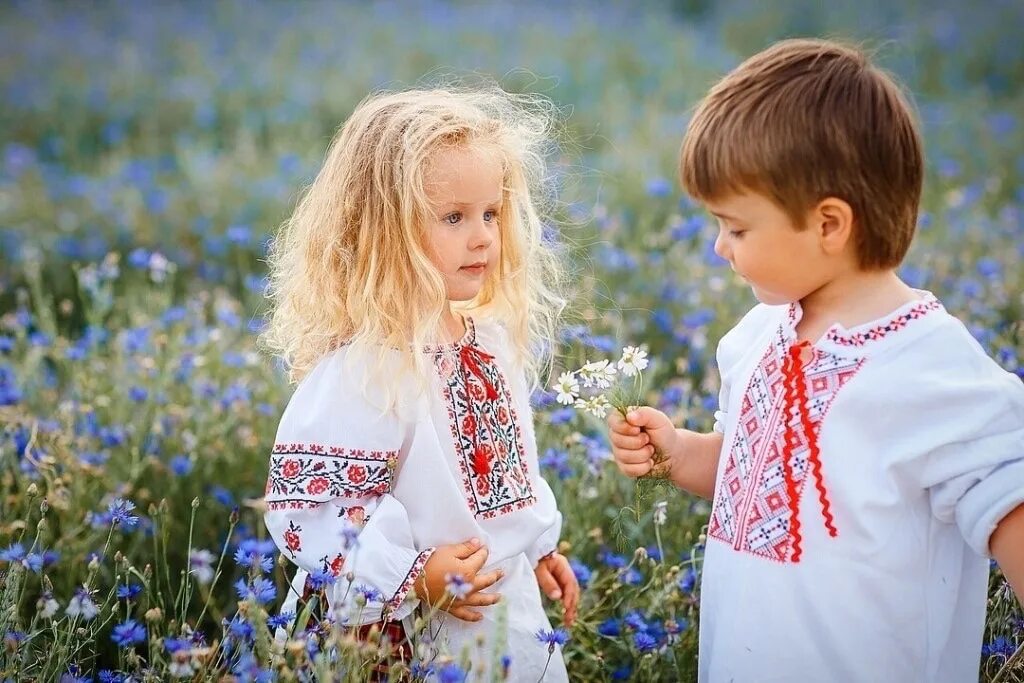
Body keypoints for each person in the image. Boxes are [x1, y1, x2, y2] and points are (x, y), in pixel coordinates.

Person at [608, 38, 1024, 682]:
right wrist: (681, 454)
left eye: (737, 228)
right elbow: (753, 475)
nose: (719, 247)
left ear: (829, 225)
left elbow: (1010, 506)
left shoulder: (930, 368)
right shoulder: (755, 337)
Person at [261, 85, 578, 681]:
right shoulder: (370, 367)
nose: (482, 235)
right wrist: (411, 575)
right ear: (384, 231)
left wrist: (536, 547)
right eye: (454, 217)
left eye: (490, 213)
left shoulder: (490, 339)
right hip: (410, 623)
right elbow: (311, 506)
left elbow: (511, 473)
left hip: (499, 607)